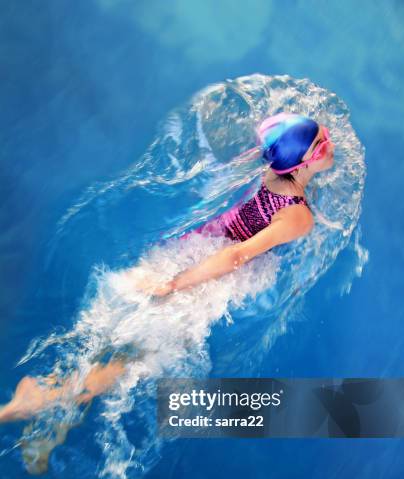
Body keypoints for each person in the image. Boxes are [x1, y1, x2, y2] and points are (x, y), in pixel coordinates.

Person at [0, 113, 335, 423]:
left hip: (187, 249)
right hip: (204, 279)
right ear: (308, 160)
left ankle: (51, 421)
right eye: (324, 142)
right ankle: (34, 403)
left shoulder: (261, 168)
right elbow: (236, 257)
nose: (331, 142)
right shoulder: (297, 216)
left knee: (110, 333)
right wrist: (177, 285)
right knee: (136, 357)